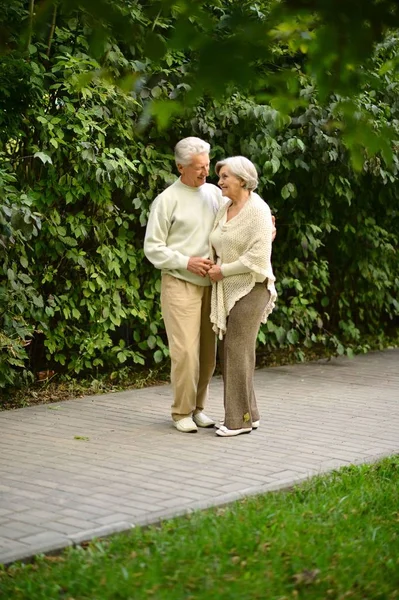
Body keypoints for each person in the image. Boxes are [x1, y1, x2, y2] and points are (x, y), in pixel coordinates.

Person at [144, 137, 221, 433]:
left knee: (207, 354)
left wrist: (265, 225)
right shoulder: (167, 200)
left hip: (210, 285)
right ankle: (181, 412)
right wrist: (185, 261)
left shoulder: (214, 194)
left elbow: (236, 218)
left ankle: (199, 408)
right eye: (199, 167)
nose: (206, 172)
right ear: (180, 166)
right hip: (179, 283)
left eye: (207, 165)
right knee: (186, 353)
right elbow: (153, 248)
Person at [208, 156, 277, 437]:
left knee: (235, 351)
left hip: (251, 288)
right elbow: (216, 239)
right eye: (219, 176)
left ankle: (237, 421)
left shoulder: (258, 209)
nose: (220, 181)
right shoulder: (226, 207)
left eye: (225, 176)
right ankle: (251, 414)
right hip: (229, 286)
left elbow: (258, 256)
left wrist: (223, 270)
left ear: (242, 179)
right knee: (240, 352)